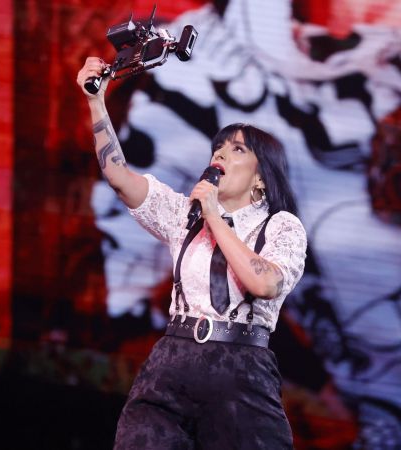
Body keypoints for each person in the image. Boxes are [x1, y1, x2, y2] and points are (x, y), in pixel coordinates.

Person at [76, 57, 307, 449]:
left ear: (261, 179)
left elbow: (265, 283)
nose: (220, 154)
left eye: (237, 149)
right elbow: (118, 176)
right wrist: (96, 101)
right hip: (173, 362)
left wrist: (215, 215)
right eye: (218, 147)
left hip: (240, 369)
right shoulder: (184, 214)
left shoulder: (280, 226)